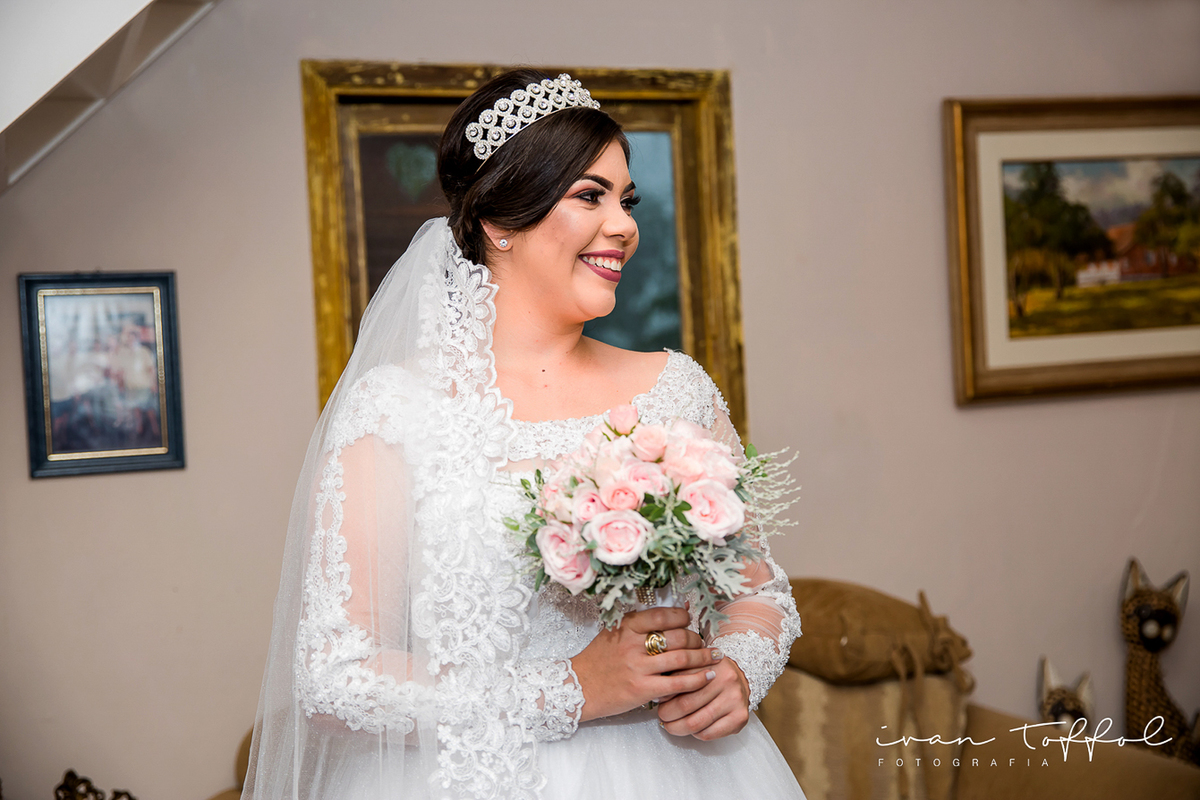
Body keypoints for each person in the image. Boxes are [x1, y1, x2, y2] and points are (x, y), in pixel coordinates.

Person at [243, 70, 805, 800]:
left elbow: (758, 593)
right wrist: (573, 687)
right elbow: (335, 676)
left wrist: (737, 670)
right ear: (498, 222)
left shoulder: (676, 390)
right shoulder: (394, 410)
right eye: (590, 196)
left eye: (626, 199)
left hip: (679, 770)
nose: (624, 225)